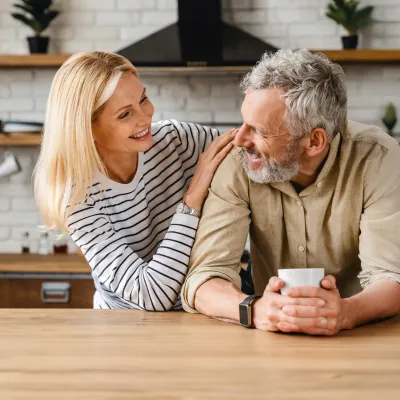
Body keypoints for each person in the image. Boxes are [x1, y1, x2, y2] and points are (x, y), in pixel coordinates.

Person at [181, 49, 400, 335]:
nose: (240, 138)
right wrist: (254, 310)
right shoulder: (238, 161)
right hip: (266, 331)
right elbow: (203, 279)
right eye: (243, 122)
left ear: (315, 141)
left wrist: (346, 313)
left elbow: (390, 277)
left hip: (362, 332)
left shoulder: (379, 158)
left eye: (259, 130)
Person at [34, 51, 236, 310]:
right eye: (125, 114)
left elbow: (249, 154)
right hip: (123, 327)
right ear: (86, 129)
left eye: (143, 99)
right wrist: (192, 200)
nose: (146, 117)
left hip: (197, 313)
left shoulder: (177, 140)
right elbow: (152, 295)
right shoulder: (77, 199)